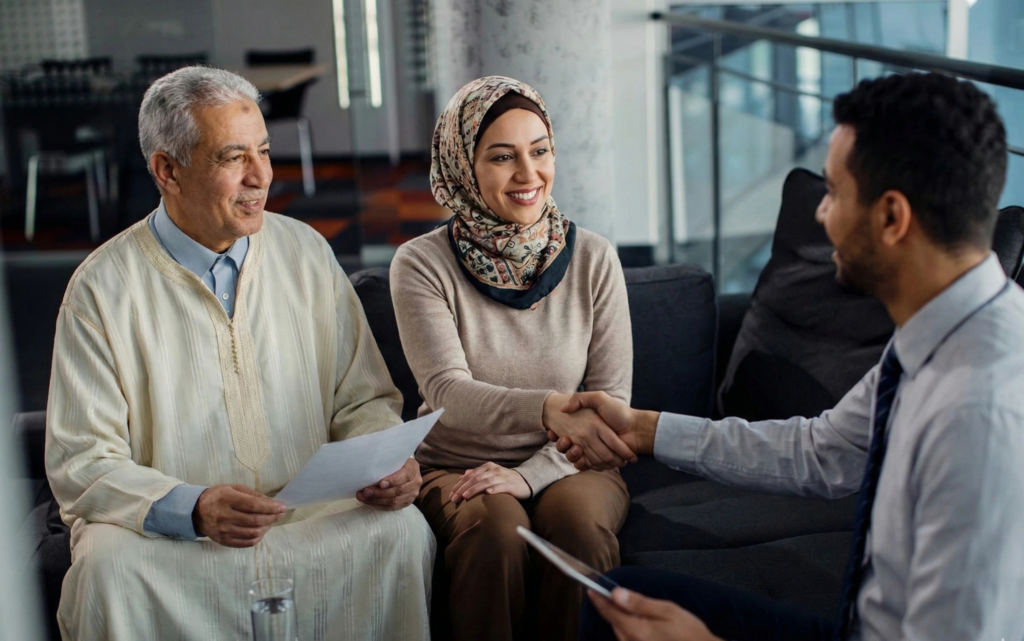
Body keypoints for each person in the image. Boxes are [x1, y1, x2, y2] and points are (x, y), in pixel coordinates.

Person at [553, 73, 1024, 641]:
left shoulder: (980, 415)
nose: (821, 214)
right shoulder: (935, 328)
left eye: (832, 192)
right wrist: (647, 430)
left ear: (892, 217)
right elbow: (823, 451)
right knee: (624, 600)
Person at [44, 66, 434, 641]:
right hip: (175, 543)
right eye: (233, 158)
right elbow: (83, 460)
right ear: (167, 171)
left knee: (401, 533)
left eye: (265, 152)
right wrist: (193, 507)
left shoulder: (305, 250)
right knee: (107, 567)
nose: (261, 177)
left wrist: (383, 467)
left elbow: (363, 398)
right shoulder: (101, 288)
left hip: (309, 521)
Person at [389, 75, 635, 641]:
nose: (529, 176)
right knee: (493, 527)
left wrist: (529, 476)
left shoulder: (595, 257)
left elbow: (610, 406)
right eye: (503, 157)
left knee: (577, 523)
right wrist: (549, 408)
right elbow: (446, 392)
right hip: (453, 464)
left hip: (575, 461)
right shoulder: (420, 264)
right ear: (461, 165)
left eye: (540, 151)